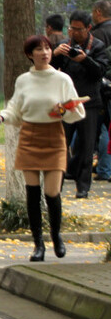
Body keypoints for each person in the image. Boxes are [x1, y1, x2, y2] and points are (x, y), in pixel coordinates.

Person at [0, 35, 86, 260]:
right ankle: (38, 244)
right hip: (30, 136)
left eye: (47, 48)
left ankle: (56, 236)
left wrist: (63, 110)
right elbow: (15, 109)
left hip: (54, 136)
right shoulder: (23, 80)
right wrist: (1, 117)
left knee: (52, 192)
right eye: (39, 49)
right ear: (30, 55)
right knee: (32, 192)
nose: (45, 52)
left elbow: (77, 111)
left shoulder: (62, 79)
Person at [52, 10, 108, 199]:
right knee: (61, 144)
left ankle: (82, 186)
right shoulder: (63, 45)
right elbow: (50, 71)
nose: (74, 33)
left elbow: (99, 72)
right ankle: (55, 186)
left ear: (88, 28)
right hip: (65, 102)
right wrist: (55, 55)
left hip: (89, 102)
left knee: (86, 145)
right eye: (71, 29)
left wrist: (85, 59)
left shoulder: (98, 46)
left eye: (78, 29)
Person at [91, 1, 111, 182]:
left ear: (97, 12)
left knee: (105, 128)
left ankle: (104, 168)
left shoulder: (98, 34)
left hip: (104, 89)